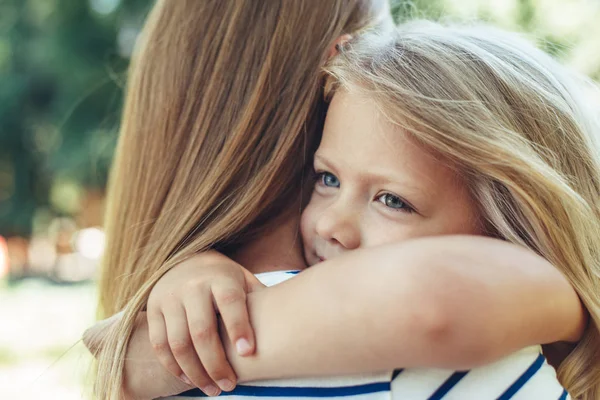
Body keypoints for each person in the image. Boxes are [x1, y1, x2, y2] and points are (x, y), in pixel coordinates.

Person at [87, 0, 589, 398]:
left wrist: (183, 347)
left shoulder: (450, 363)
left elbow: (433, 301)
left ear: (507, 227)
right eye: (325, 179)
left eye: (393, 200)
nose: (331, 225)